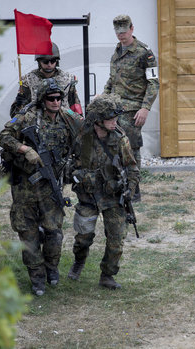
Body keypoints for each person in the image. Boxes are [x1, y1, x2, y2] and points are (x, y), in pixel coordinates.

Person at [0, 78, 83, 296]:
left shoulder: (67, 118)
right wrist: (24, 148)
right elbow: (4, 137)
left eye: (58, 98)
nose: (55, 102)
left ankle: (51, 268)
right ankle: (36, 276)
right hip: (25, 184)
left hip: (51, 185)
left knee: (54, 231)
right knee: (28, 233)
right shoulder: (27, 116)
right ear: (42, 99)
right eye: (51, 98)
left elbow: (85, 130)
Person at [67, 93, 139, 290]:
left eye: (116, 118)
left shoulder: (119, 139)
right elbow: (68, 164)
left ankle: (107, 275)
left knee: (117, 239)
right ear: (98, 120)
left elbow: (133, 169)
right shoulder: (82, 137)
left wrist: (129, 191)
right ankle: (79, 262)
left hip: (113, 197)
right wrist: (78, 175)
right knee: (83, 238)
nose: (114, 122)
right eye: (110, 119)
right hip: (88, 197)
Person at [104, 15, 159, 201]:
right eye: (118, 32)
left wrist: (145, 108)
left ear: (132, 29)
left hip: (133, 109)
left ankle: (134, 190)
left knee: (131, 148)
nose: (121, 35)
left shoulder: (144, 53)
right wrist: (103, 97)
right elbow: (112, 80)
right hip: (115, 108)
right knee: (113, 147)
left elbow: (153, 83)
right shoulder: (117, 51)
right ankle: (119, 185)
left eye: (124, 31)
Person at [9, 42, 82, 117]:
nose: (49, 64)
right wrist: (19, 103)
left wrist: (79, 123)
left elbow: (75, 107)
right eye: (45, 61)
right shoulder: (28, 80)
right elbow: (16, 115)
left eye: (52, 61)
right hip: (36, 122)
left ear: (56, 61)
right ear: (39, 62)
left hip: (62, 123)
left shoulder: (68, 79)